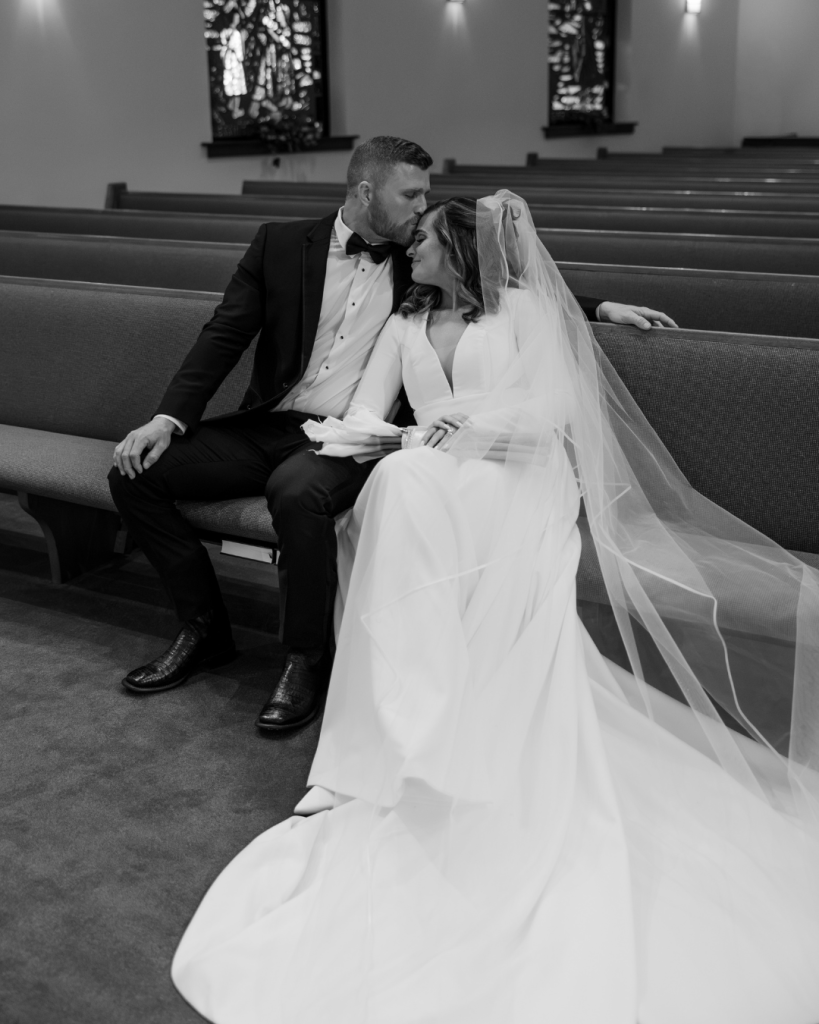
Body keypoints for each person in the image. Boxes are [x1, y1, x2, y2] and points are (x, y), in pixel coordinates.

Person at [170, 194, 819, 1023]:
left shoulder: (521, 315)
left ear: (462, 254)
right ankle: (382, 736)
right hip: (431, 470)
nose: (414, 253)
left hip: (518, 478)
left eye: (429, 244)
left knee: (405, 489)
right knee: (399, 482)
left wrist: (460, 429)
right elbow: (369, 406)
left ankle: (406, 723)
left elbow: (550, 415)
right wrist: (359, 436)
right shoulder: (406, 322)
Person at [109, 137, 676, 732]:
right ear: (365, 192)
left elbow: (495, 274)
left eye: (424, 197)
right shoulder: (279, 244)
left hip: (367, 434)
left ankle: (306, 659)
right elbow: (222, 334)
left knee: (297, 492)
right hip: (282, 421)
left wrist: (599, 305)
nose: (419, 206)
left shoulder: (418, 252)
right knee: (136, 474)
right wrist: (166, 419)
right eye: (410, 194)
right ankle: (203, 629)